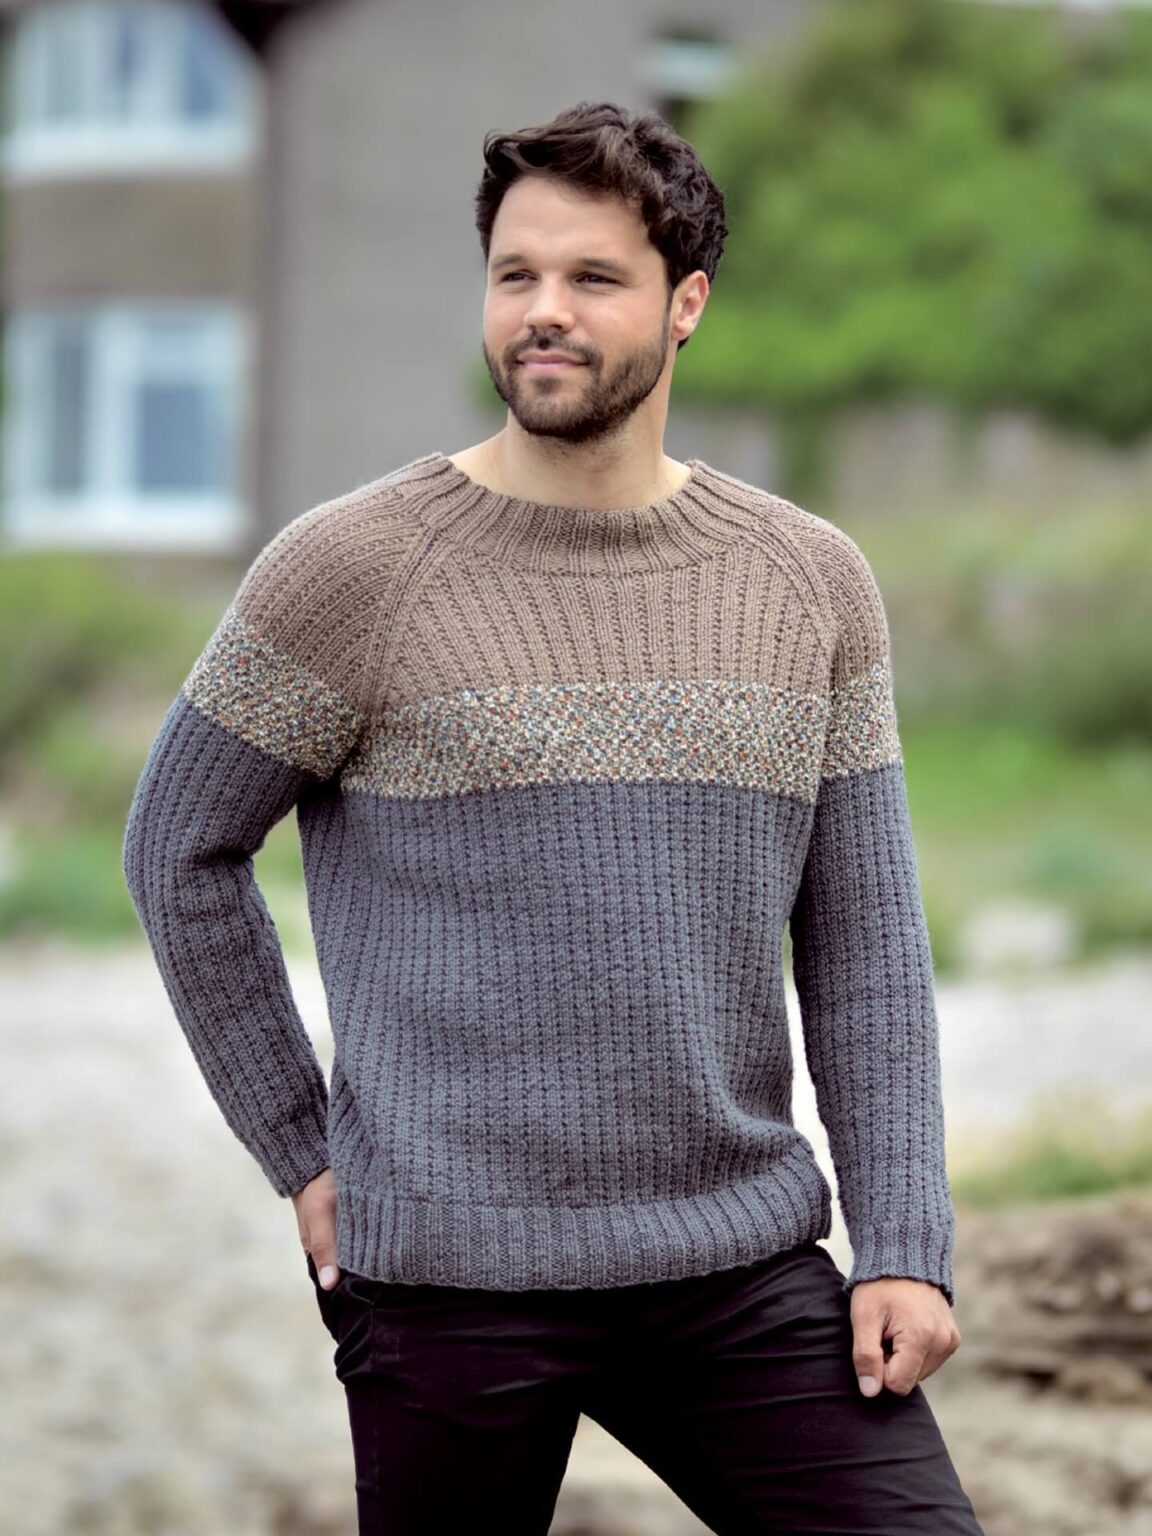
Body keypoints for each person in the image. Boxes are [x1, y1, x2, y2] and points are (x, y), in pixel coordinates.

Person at [123, 99, 985, 1534]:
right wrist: (303, 1146)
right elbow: (177, 848)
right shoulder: (351, 569)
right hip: (449, 1277)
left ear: (686, 303)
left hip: (737, 1261)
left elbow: (865, 941)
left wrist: (902, 1237)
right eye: (515, 274)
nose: (544, 312)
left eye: (593, 278)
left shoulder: (810, 581)